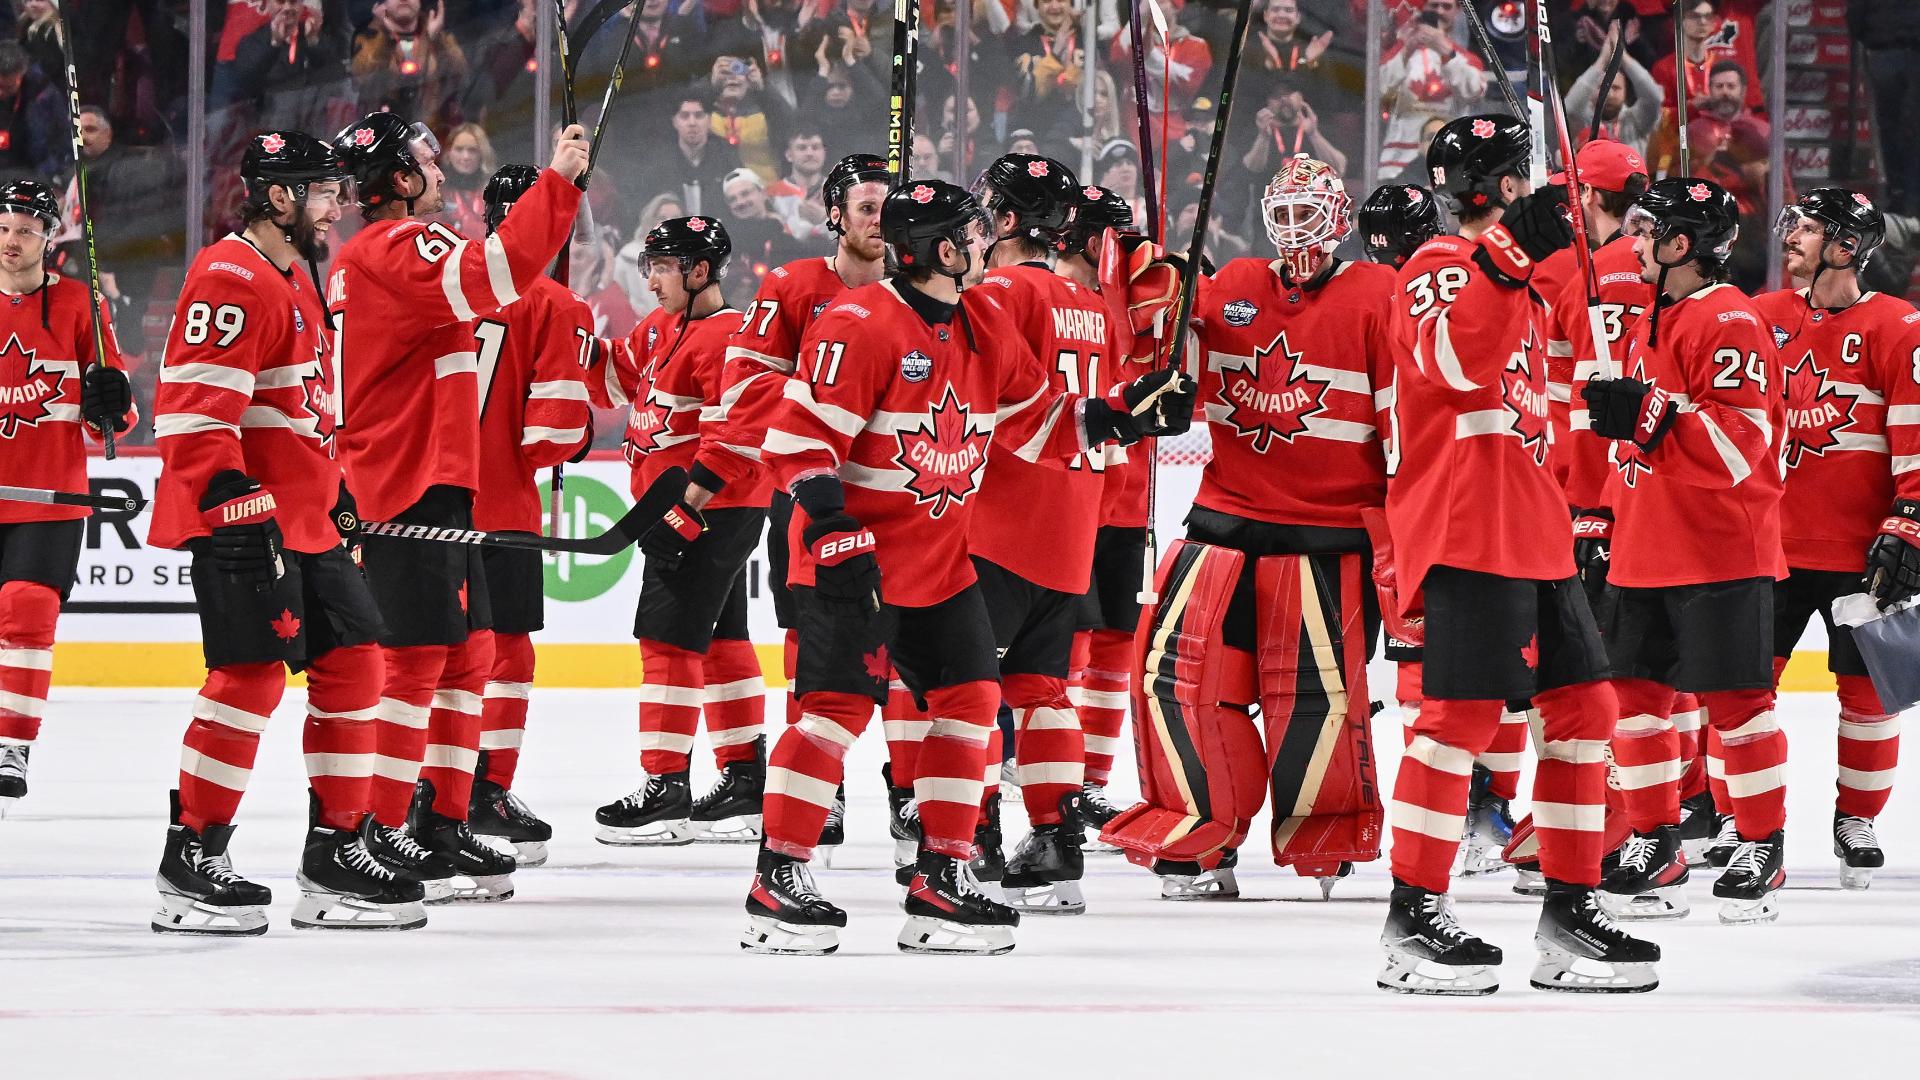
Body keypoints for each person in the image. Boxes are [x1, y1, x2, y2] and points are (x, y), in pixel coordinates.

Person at [740, 179, 1190, 956]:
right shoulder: (859, 323)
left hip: (943, 565)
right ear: (946, 251)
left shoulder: (983, 319)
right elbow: (796, 441)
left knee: (972, 699)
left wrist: (1124, 411)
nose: (985, 243)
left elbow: (1039, 421)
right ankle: (777, 878)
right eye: (973, 233)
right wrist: (835, 527)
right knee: (835, 713)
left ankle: (939, 881)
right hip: (856, 564)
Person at [1379, 114, 1658, 994]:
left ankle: (1571, 911)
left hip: (1535, 530)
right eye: (1521, 180)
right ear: (1495, 188)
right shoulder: (1434, 266)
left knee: (1584, 709)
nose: (1539, 196)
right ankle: (1411, 917)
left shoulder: (1532, 290)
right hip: (1468, 525)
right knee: (1457, 720)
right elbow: (1455, 360)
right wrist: (1504, 255)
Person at [146, 132, 422, 934]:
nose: (337, 205)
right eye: (323, 191)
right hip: (249, 521)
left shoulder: (295, 273)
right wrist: (228, 502)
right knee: (251, 679)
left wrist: (335, 492)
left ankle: (336, 852)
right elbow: (194, 411)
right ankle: (192, 858)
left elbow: (298, 411)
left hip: (304, 520)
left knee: (356, 665)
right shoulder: (231, 275)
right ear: (278, 198)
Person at [1108, 154, 1392, 902]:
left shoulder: (1377, 296)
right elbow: (1168, 364)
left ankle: (1324, 829)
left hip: (1327, 536)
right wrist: (1159, 302)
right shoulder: (1231, 285)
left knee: (1316, 698)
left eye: (1310, 212)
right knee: (1181, 682)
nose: (1296, 229)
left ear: (1340, 217)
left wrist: (1402, 540)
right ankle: (1200, 830)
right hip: (1222, 523)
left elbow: (1404, 427)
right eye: (1285, 211)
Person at [327, 111, 586, 902]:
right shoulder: (397, 244)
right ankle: (378, 828)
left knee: (469, 654)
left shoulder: (369, 253)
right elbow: (494, 278)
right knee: (414, 663)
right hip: (402, 485)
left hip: (437, 481)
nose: (442, 175)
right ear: (400, 181)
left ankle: (439, 819)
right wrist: (558, 182)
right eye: (427, 164)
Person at [1582, 176, 1788, 926]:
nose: (1632, 244)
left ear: (1680, 246)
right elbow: (1636, 442)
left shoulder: (1730, 320)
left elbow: (1744, 445)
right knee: (1635, 701)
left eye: (1647, 233)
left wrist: (1651, 413)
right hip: (1645, 542)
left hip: (1720, 548)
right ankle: (1656, 840)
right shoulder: (1645, 319)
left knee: (1738, 705)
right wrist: (1601, 522)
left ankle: (1763, 844)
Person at [712, 152, 893, 862]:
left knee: (910, 653)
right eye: (866, 206)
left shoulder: (917, 294)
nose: (878, 220)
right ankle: (825, 790)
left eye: (887, 206)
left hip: (900, 502)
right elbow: (742, 392)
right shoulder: (791, 285)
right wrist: (824, 418)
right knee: (811, 648)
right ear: (835, 215)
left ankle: (909, 792)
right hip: (811, 502)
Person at [961, 153, 1129, 914]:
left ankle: (975, 837)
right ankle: (1057, 838)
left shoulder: (995, 292)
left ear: (1004, 219)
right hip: (1072, 527)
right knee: (1043, 689)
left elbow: (977, 404)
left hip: (999, 520)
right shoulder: (1093, 304)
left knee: (967, 691)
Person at [1753, 190, 1920, 891]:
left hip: (1861, 553)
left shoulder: (1898, 325)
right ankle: (1748, 824)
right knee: (1744, 692)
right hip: (1767, 547)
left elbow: (1913, 436)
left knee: (1868, 694)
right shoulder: (1760, 316)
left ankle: (1858, 818)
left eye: (1810, 229)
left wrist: (1909, 520)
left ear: (1847, 247)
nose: (1792, 236)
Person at [590, 216, 774, 847]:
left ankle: (665, 788)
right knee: (723, 638)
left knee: (666, 639)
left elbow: (738, 437)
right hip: (687, 510)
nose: (652, 279)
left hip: (709, 511)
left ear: (700, 272)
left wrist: (689, 509)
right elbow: (611, 380)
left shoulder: (731, 338)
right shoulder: (661, 326)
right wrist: (572, 323)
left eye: (663, 267)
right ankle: (746, 782)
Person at [463, 165, 600, 869]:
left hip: (416, 502)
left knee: (425, 657)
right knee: (506, 653)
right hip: (503, 509)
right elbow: (548, 435)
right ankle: (484, 791)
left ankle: (418, 795)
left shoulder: (441, 282)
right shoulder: (555, 304)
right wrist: (577, 432)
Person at [0, 180, 132, 802]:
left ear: (51, 238)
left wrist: (110, 403)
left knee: (28, 612)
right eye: (3, 228)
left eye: (25, 230)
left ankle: (11, 746)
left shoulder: (81, 304)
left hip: (48, 495)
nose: (10, 241)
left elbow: (117, 419)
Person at [1054, 183, 1146, 841]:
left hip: (1120, 499)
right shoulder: (1068, 302)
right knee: (1069, 645)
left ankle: (1087, 784)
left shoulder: (1131, 300)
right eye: (1123, 239)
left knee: (1113, 638)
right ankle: (1051, 784)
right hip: (1074, 498)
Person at [1376, 0, 1487, 180]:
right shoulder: (1400, 51)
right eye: (1434, 5)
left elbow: (1474, 91)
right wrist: (1407, 49)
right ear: (1422, 8)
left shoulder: (1465, 58)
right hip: (1397, 165)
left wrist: (1446, 51)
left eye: (1446, 6)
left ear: (1457, 10)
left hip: (1448, 164)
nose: (1439, 11)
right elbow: (1378, 89)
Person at [1564, 20, 1663, 157]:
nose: (1608, 94)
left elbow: (1654, 98)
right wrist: (1602, 60)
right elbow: (1569, 107)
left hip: (1632, 178)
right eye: (1601, 87)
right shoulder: (1584, 120)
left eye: (1616, 88)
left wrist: (1621, 56)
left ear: (1626, 92)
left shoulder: (1636, 120)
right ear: (1591, 91)